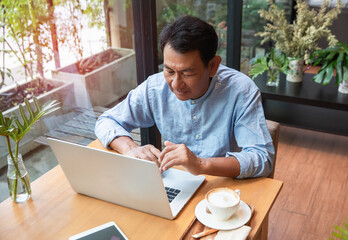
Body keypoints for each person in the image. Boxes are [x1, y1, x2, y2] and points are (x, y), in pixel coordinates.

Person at [95, 15, 274, 179]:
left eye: (187, 73)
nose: (175, 84)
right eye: (169, 70)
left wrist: (201, 164)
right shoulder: (155, 88)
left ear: (213, 66)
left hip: (222, 188)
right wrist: (131, 149)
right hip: (174, 181)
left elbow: (262, 159)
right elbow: (106, 121)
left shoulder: (241, 91)